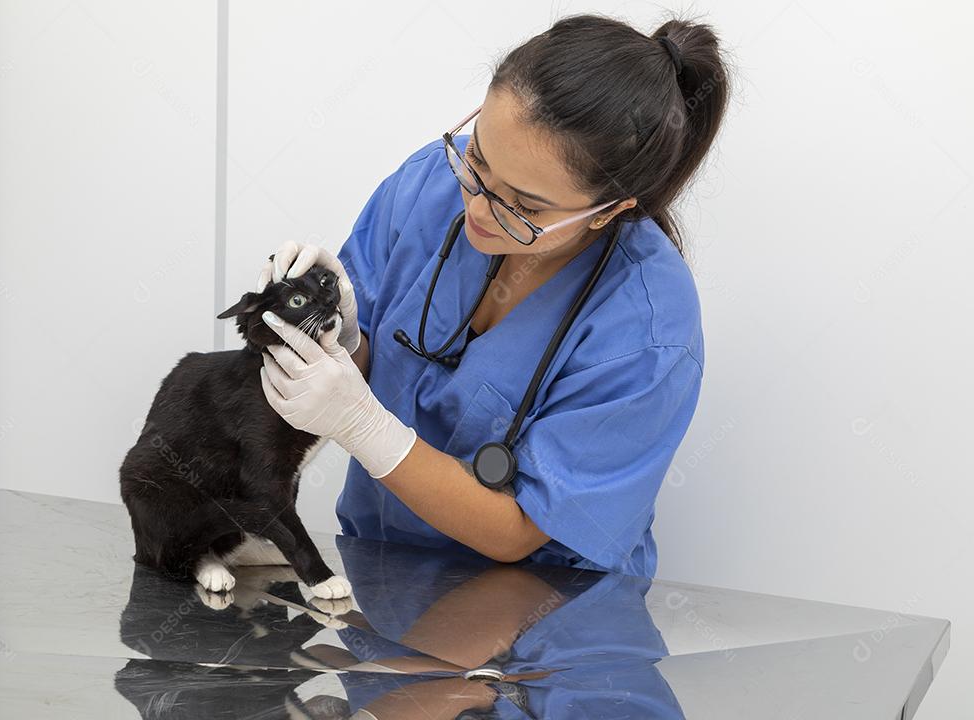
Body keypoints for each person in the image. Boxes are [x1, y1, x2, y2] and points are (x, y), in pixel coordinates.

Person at [255, 13, 731, 577]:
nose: (476, 208)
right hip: (384, 578)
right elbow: (362, 371)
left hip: (546, 628)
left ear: (611, 209)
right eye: (478, 158)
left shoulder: (648, 332)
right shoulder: (427, 187)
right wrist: (339, 337)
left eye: (524, 207)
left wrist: (362, 427)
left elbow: (519, 531)